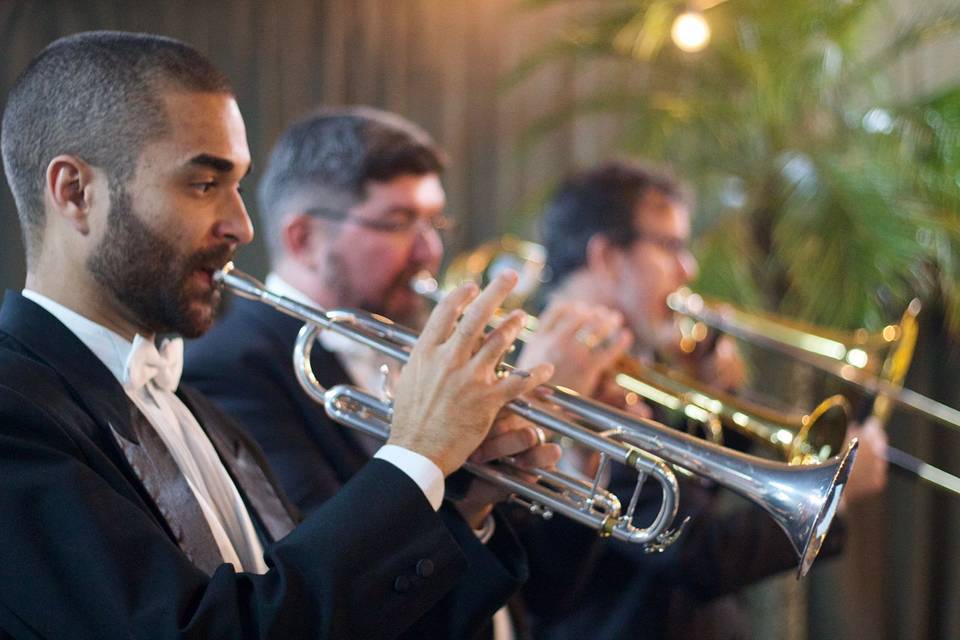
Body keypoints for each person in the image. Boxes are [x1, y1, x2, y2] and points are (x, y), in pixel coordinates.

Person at [0, 31, 555, 639]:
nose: (241, 224)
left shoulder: (197, 410)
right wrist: (417, 452)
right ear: (76, 193)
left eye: (238, 185)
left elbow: (316, 619)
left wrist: (461, 502)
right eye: (205, 184)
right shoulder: (14, 412)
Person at [184, 106, 562, 640]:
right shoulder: (227, 373)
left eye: (435, 222)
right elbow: (333, 592)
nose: (431, 250)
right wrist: (427, 452)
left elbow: (547, 586)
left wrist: (477, 502)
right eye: (400, 221)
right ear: (303, 239)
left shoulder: (409, 348)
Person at [513, 159, 889, 640]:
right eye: (669, 246)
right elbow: (694, 551)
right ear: (607, 256)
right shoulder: (561, 375)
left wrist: (720, 405)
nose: (688, 268)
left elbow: (684, 495)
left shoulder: (638, 364)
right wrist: (833, 498)